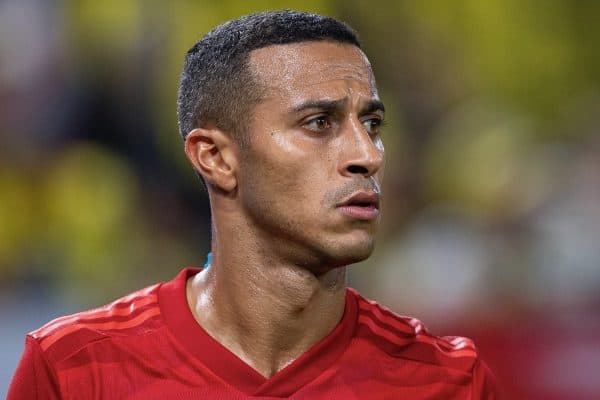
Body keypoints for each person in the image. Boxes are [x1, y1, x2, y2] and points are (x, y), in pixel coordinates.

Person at [8, 10, 497, 399]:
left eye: (371, 125)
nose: (366, 155)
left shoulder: (449, 382)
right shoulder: (74, 370)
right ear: (216, 157)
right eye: (318, 124)